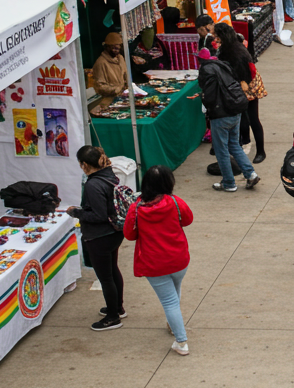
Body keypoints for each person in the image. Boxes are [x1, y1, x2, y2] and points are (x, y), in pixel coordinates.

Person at [122, 165, 194, 356]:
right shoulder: (176, 202)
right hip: (178, 259)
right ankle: (173, 325)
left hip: (154, 263)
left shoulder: (136, 208)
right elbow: (187, 220)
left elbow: (129, 235)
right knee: (174, 294)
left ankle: (181, 341)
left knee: (169, 301)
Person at [67, 146, 126, 330]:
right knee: (113, 270)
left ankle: (112, 317)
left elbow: (98, 215)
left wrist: (76, 212)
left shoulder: (93, 185)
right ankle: (118, 307)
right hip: (115, 232)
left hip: (100, 236)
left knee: (105, 277)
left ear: (84, 165)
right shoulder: (109, 175)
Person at [198, 44, 261, 190]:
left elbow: (211, 95)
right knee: (234, 145)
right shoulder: (223, 65)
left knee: (222, 151)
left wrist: (204, 102)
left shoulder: (207, 70)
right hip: (235, 111)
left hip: (221, 115)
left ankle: (228, 183)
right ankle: (251, 174)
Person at [214, 22, 266, 163]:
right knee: (244, 118)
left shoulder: (233, 51)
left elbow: (247, 70)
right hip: (241, 85)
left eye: (216, 36)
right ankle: (244, 144)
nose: (215, 39)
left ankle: (260, 151)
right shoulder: (230, 46)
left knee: (252, 119)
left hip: (247, 85)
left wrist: (243, 85)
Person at [91, 32, 130, 107]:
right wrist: (116, 89)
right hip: (108, 102)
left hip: (123, 98)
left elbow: (126, 75)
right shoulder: (101, 62)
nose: (116, 51)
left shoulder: (120, 58)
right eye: (114, 48)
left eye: (118, 48)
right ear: (107, 47)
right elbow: (99, 87)